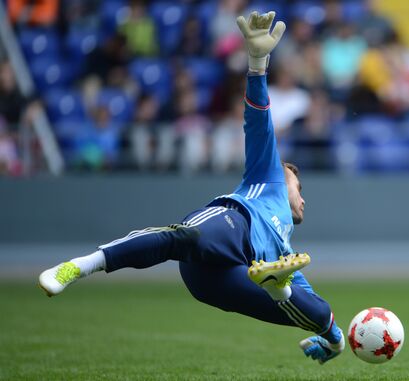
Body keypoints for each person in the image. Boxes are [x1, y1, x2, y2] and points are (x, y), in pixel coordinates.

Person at [38, 11, 345, 365]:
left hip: (224, 282)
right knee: (184, 238)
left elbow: (322, 316)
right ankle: (80, 265)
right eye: (300, 186)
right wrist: (258, 63)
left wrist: (335, 343)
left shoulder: (287, 253)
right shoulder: (270, 177)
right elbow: (259, 121)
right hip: (232, 227)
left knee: (316, 311)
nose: (303, 197)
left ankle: (280, 289)